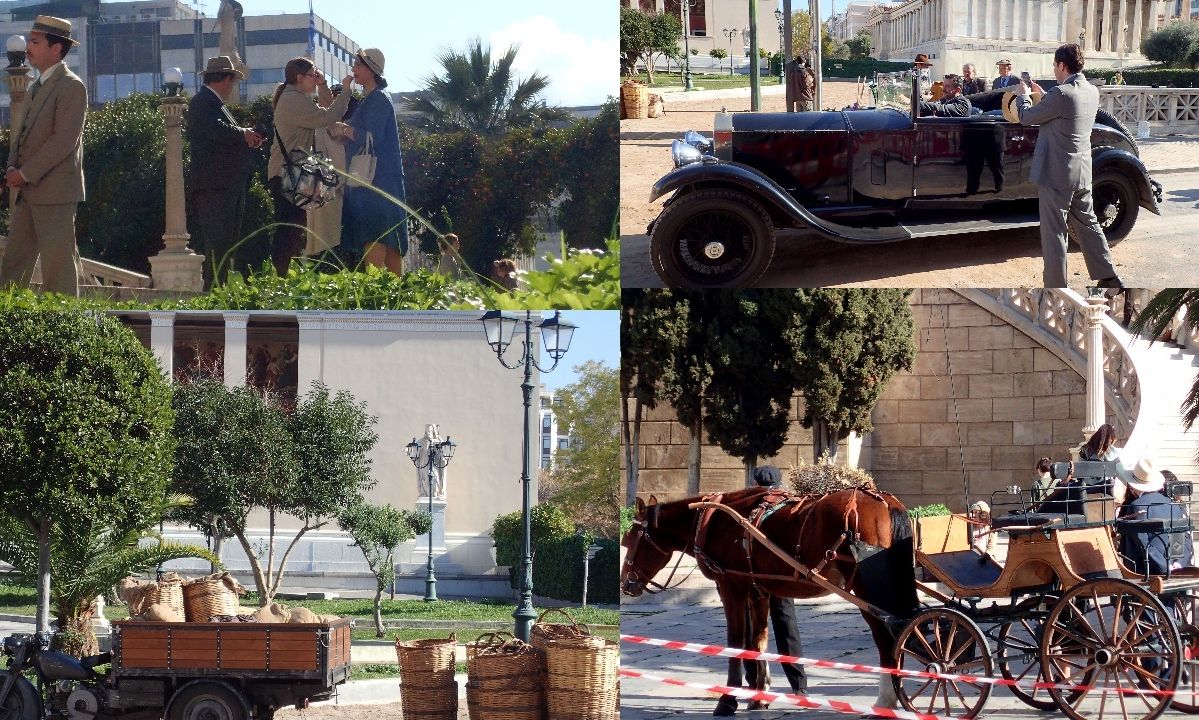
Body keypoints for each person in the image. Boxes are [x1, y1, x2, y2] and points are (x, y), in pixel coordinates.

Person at [1014, 44, 1123, 290]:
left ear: (1062, 65)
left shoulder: (1061, 94)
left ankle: (1056, 288)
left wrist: (1023, 96)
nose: (1054, 70)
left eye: (1054, 65)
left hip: (1056, 175)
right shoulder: (1090, 91)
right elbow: (1064, 114)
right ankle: (1108, 275)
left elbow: (1027, 118)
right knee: (1089, 224)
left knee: (1055, 234)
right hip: (1081, 172)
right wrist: (1045, 95)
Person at [0, 16, 87, 297]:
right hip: (28, 190)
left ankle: (63, 329)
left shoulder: (72, 86)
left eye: (35, 42)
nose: (28, 48)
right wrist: (12, 165)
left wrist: (24, 173)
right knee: (14, 265)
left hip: (56, 191)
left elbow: (63, 141)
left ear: (56, 49)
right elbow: (22, 135)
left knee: (57, 268)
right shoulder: (35, 87)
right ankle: (9, 323)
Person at [266, 57, 352, 275]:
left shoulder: (296, 97)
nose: (315, 79)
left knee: (293, 229)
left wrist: (323, 85)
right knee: (289, 230)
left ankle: (282, 276)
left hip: (286, 173)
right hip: (286, 174)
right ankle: (280, 277)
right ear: (299, 77)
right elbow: (328, 116)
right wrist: (346, 91)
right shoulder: (293, 100)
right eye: (312, 76)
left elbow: (324, 108)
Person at [187, 55, 265, 289]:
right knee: (218, 243)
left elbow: (225, 131)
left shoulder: (216, 105)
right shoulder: (202, 102)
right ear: (224, 79)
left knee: (225, 243)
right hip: (215, 187)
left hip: (225, 186)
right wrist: (243, 134)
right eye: (232, 81)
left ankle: (218, 288)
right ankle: (214, 291)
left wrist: (246, 135)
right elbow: (216, 129)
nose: (233, 87)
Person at [341, 48, 409, 274]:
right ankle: (396, 299)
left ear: (372, 70)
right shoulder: (374, 98)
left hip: (377, 180)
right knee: (389, 241)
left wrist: (346, 130)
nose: (354, 69)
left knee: (375, 235)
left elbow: (372, 136)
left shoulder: (378, 99)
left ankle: (376, 297)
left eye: (358, 65)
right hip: (383, 179)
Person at [743, 465, 807, 700]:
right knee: (787, 626)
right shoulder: (789, 506)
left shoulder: (748, 507)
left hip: (753, 577)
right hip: (780, 575)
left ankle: (754, 683)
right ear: (779, 485)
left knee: (751, 629)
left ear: (754, 484)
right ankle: (799, 685)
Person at [1118, 457, 1194, 575]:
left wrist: (1164, 566)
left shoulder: (1136, 506)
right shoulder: (1173, 504)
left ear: (1134, 486)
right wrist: (1177, 563)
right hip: (1174, 565)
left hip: (1146, 570)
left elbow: (1142, 542)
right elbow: (1180, 537)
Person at [1074, 422, 1128, 504]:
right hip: (1103, 490)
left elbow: (1080, 471)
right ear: (1111, 438)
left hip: (1085, 490)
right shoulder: (1110, 451)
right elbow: (1122, 474)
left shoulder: (1085, 450)